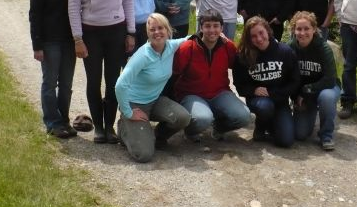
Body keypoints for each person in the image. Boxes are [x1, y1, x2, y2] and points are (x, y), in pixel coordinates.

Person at [68, 0, 136, 144]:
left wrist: (131, 32)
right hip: (91, 34)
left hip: (116, 32)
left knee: (114, 82)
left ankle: (109, 126)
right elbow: (73, 7)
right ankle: (97, 126)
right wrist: (78, 39)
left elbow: (128, 2)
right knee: (93, 81)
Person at [115, 13, 191, 163]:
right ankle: (124, 128)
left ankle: (157, 136)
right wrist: (128, 112)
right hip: (135, 104)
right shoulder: (142, 55)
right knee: (144, 154)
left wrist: (213, 34)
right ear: (147, 33)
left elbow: (189, 39)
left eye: (160, 28)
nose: (157, 32)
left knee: (183, 117)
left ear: (168, 30)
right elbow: (120, 85)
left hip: (155, 100)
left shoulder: (170, 46)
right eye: (152, 29)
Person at [172, 9, 251, 142]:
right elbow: (174, 74)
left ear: (221, 28)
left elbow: (240, 66)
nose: (212, 30)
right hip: (191, 94)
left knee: (244, 116)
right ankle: (191, 130)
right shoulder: (188, 47)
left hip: (220, 93)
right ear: (201, 27)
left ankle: (219, 127)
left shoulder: (228, 46)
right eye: (207, 26)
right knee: (203, 119)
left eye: (216, 26)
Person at [29, 0, 77, 139]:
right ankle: (52, 122)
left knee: (66, 83)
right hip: (50, 41)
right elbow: (35, 15)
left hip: (69, 40)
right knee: (50, 82)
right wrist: (37, 45)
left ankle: (64, 119)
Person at [233, 16, 299, 148]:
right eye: (253, 36)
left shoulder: (285, 52)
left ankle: (275, 124)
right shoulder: (243, 56)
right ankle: (261, 126)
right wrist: (253, 90)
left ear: (268, 31)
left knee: (285, 141)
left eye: (261, 33)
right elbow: (239, 85)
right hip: (259, 100)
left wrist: (277, 94)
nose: (258, 38)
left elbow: (295, 81)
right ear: (248, 38)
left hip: (280, 99)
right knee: (265, 107)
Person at [288, 11, 341, 150]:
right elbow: (288, 78)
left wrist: (305, 91)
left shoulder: (324, 48)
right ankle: (311, 113)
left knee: (327, 98)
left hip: (325, 89)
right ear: (293, 30)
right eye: (299, 29)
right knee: (300, 134)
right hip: (305, 96)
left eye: (307, 28)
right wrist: (296, 97)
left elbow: (329, 80)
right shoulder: (290, 49)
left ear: (314, 29)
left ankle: (326, 135)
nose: (302, 32)